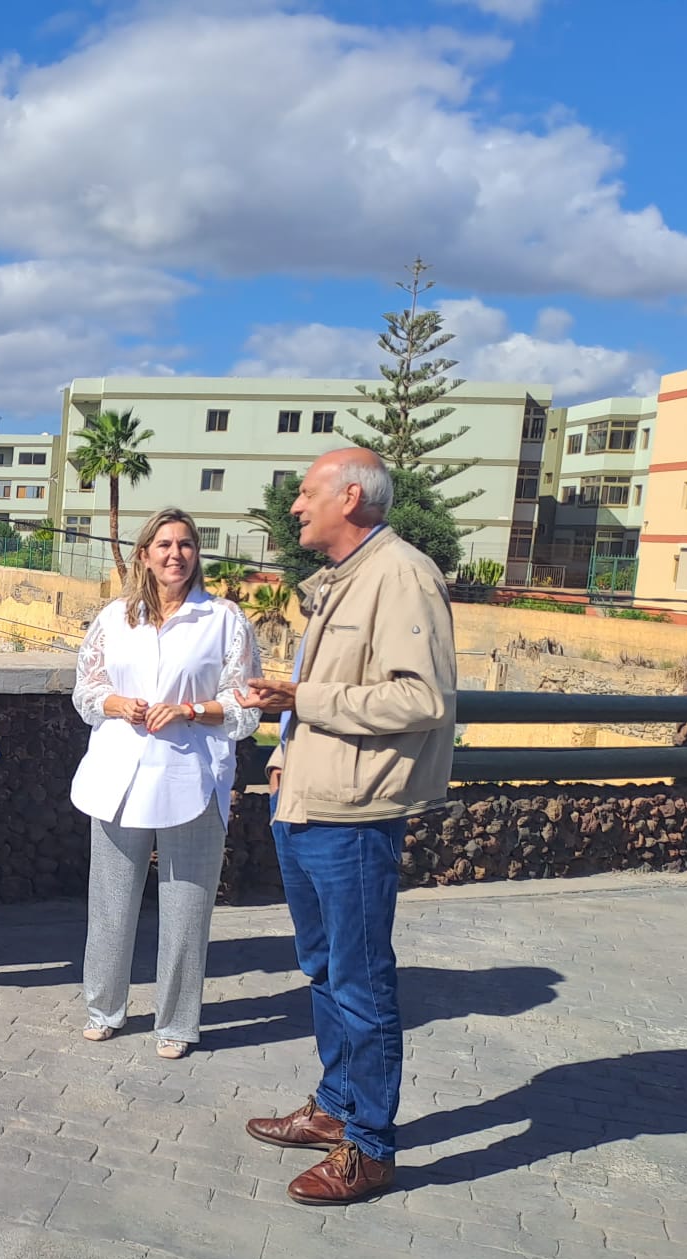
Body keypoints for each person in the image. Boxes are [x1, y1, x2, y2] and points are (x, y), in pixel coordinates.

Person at [237, 448, 456, 1206]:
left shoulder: (401, 574)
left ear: (351, 497)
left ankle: (371, 1147)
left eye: (305, 493)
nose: (294, 506)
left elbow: (420, 701)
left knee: (361, 982)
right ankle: (336, 1110)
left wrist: (304, 696)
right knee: (325, 971)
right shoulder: (342, 580)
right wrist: (284, 755)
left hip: (354, 816)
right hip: (305, 802)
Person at [70, 508, 259, 1059]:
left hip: (192, 776)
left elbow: (242, 709)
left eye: (185, 545)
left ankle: (177, 1023)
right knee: (109, 900)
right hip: (117, 775)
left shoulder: (223, 619)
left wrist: (191, 710)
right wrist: (116, 702)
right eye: (164, 545)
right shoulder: (113, 618)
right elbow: (87, 691)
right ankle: (103, 1008)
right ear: (144, 554)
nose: (175, 554)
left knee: (186, 905)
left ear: (196, 553)